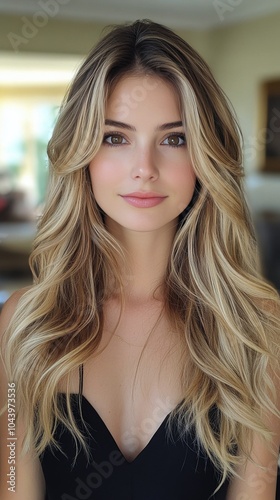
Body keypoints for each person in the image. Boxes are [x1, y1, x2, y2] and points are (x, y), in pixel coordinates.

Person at [0, 19, 279, 500]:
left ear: (206, 155)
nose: (145, 169)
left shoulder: (256, 326)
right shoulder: (24, 324)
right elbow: (11, 484)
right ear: (81, 152)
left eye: (174, 139)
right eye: (115, 137)